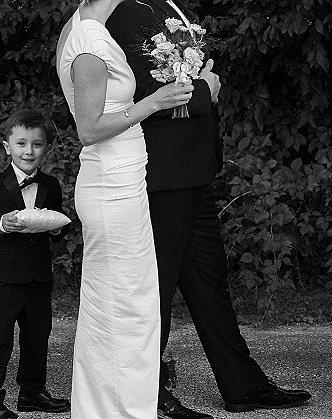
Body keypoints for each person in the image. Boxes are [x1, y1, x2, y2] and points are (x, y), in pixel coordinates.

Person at [106, 1, 312, 418]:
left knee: (206, 277)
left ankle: (242, 384)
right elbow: (143, 89)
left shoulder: (165, 5)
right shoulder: (125, 12)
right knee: (157, 287)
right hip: (165, 170)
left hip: (192, 167)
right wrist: (205, 89)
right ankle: (149, 393)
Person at [56, 0, 195, 417]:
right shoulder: (87, 43)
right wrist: (153, 103)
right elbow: (89, 129)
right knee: (124, 305)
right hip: (109, 186)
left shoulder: (86, 28)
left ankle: (115, 406)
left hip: (125, 179)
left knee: (128, 302)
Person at [0, 109, 71, 419]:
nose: (29, 151)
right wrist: (1, 223)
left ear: (46, 148)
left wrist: (56, 227)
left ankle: (32, 392)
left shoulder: (51, 185)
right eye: (22, 144)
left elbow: (58, 223)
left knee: (37, 335)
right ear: (7, 147)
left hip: (39, 274)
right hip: (6, 275)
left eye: (37, 144)